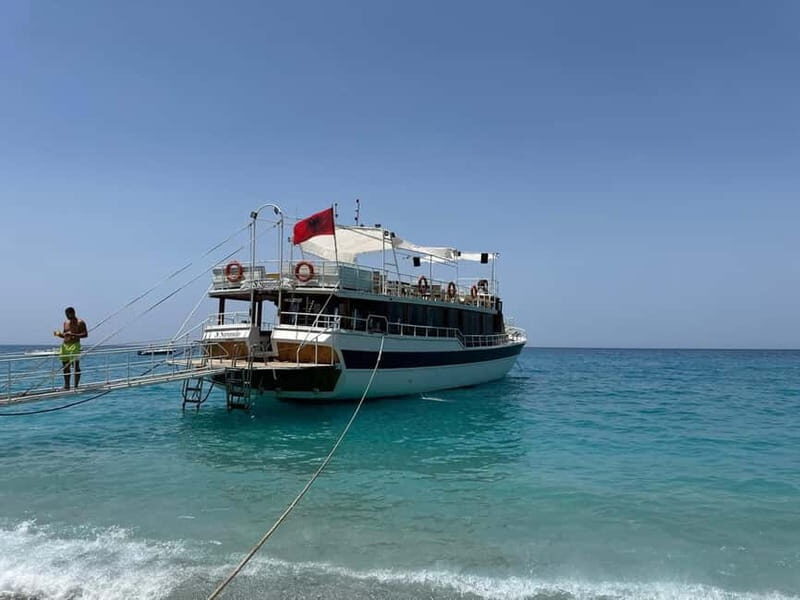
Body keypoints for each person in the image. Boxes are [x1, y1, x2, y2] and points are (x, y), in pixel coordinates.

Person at [54, 307, 88, 390]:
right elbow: (65, 335)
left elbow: (85, 334)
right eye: (66, 315)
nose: (67, 317)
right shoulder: (66, 322)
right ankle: (67, 386)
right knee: (65, 366)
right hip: (65, 345)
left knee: (75, 365)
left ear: (73, 313)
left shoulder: (80, 322)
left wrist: (73, 334)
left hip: (75, 345)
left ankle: (76, 385)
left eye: (68, 315)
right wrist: (59, 335)